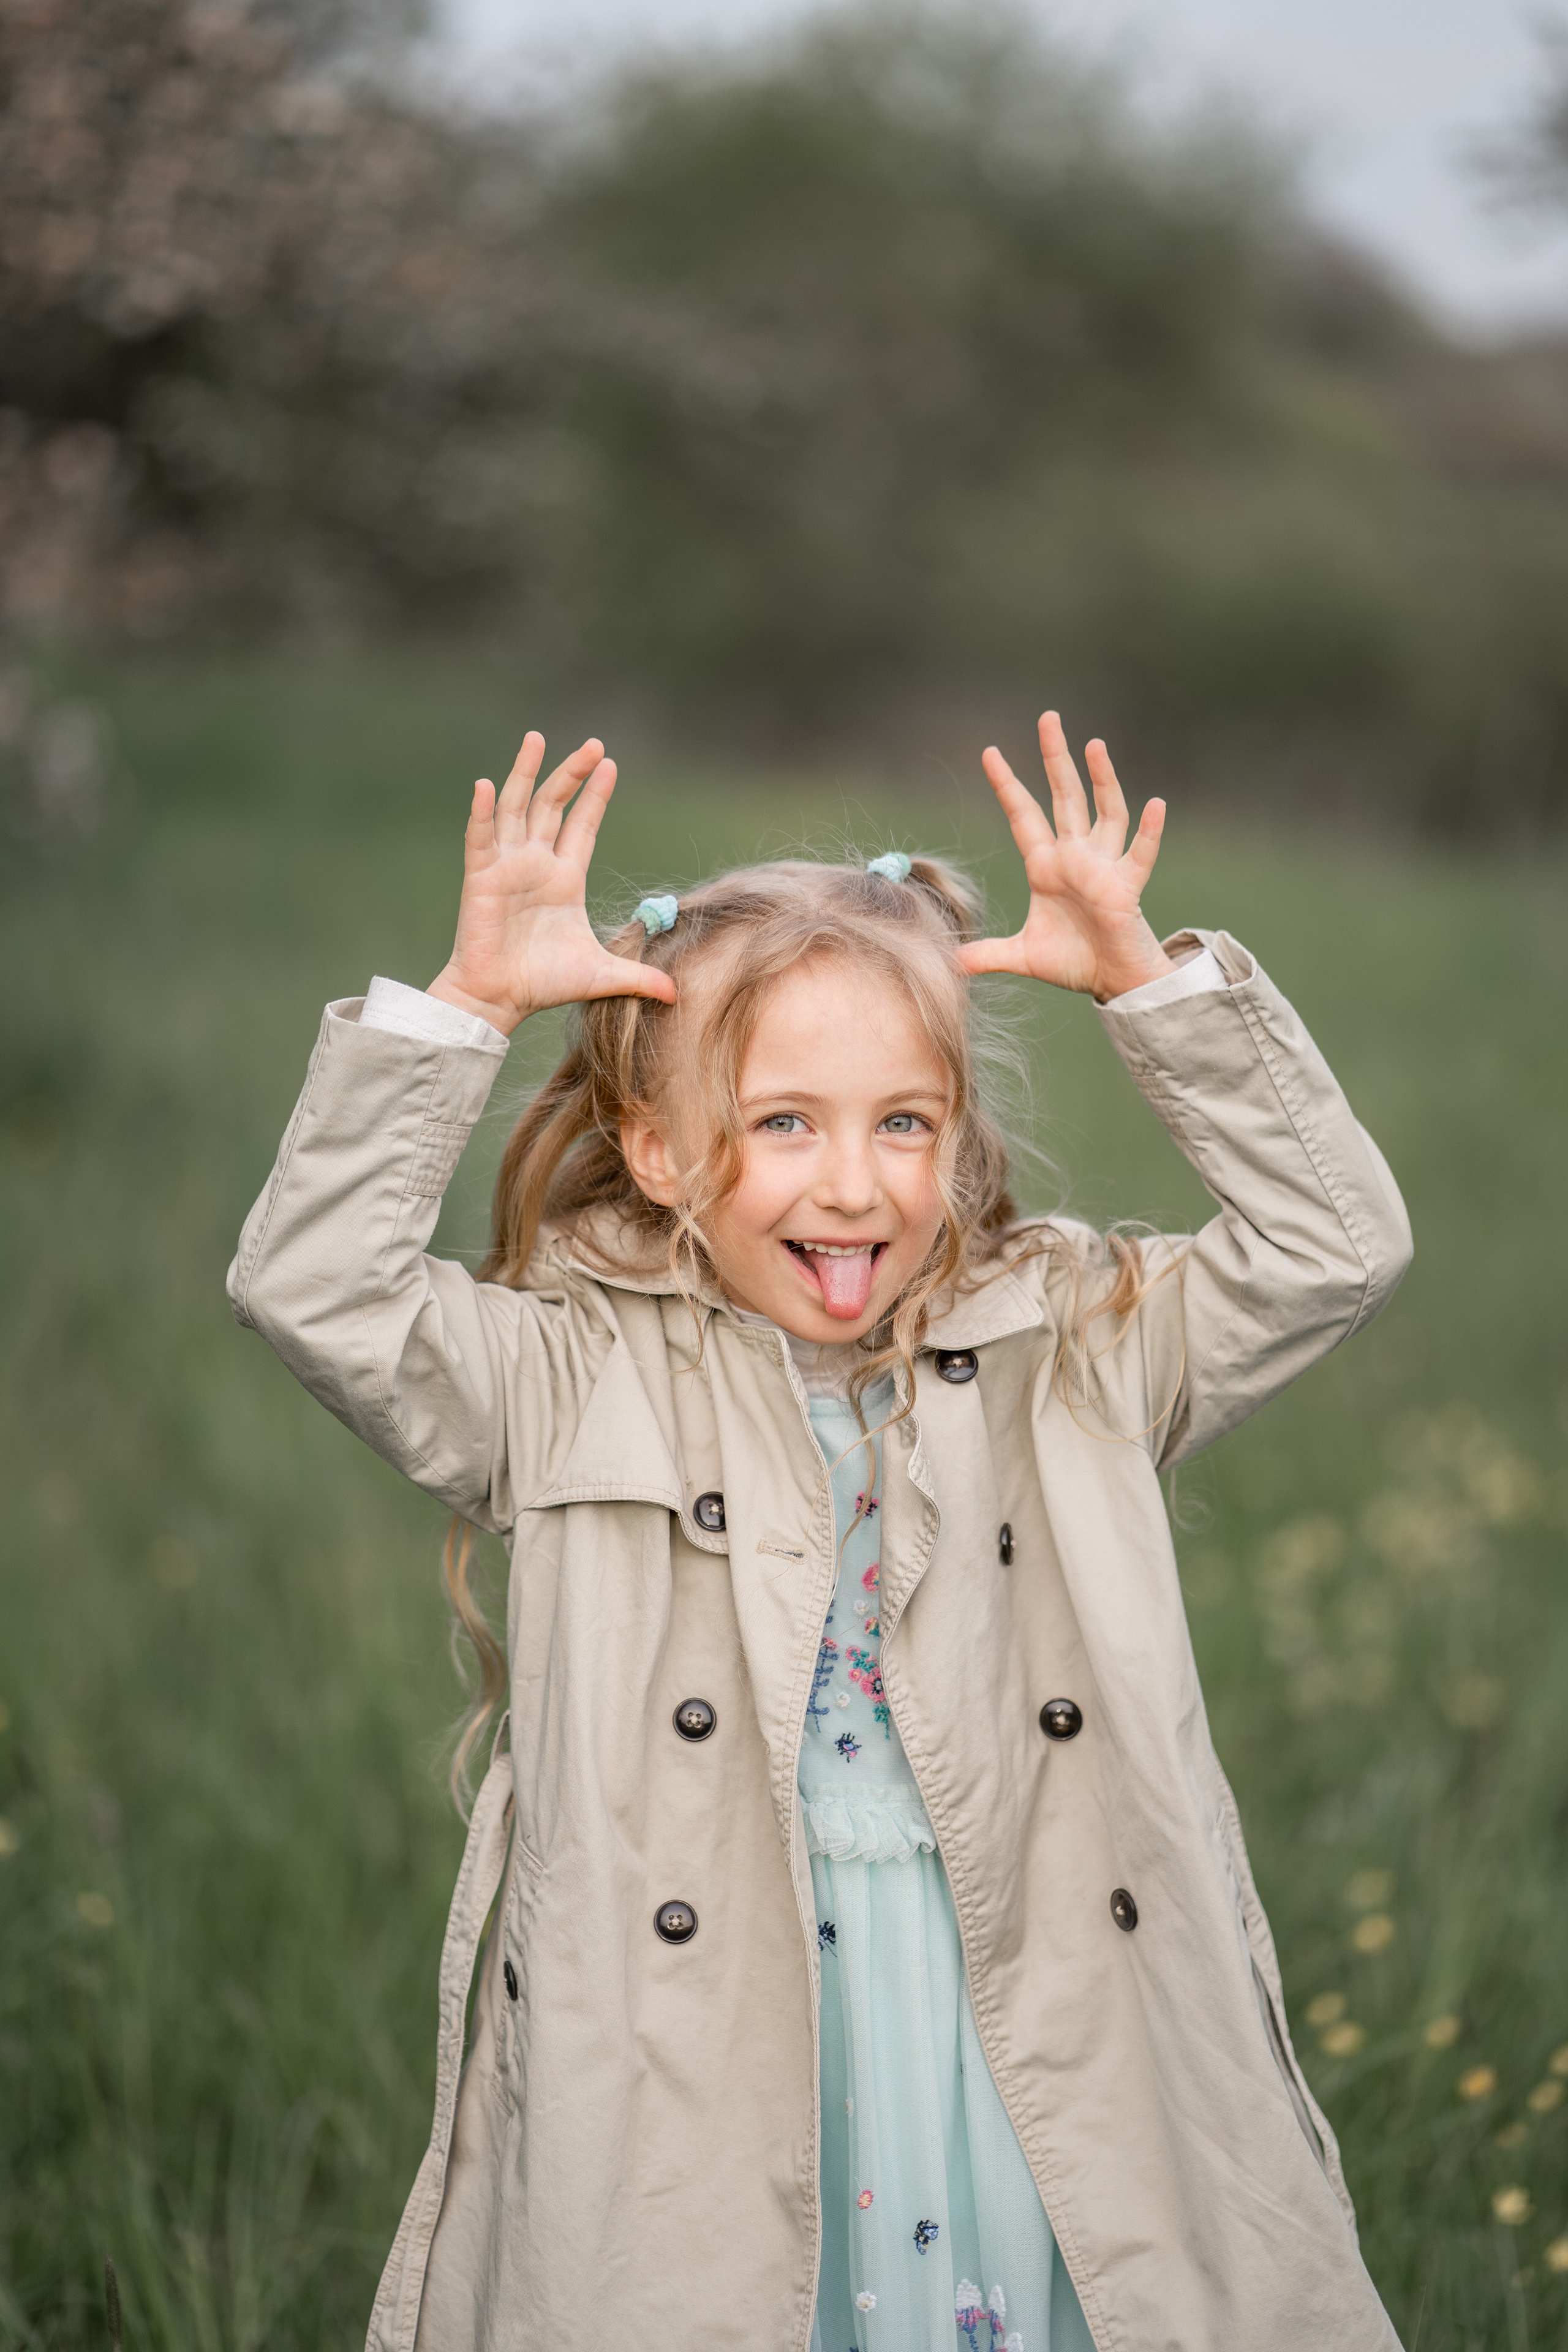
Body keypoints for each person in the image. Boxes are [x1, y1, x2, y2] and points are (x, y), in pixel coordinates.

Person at [228, 712, 1411, 2351]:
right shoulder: (570, 1373)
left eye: (902, 1124)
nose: (852, 1183)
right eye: (783, 1123)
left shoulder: (1063, 1341)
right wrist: (469, 1009)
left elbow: (1333, 1248)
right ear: (656, 1148)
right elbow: (317, 1289)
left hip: (1016, 1986)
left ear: (956, 1139)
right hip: (707, 2018)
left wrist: (1155, 988)